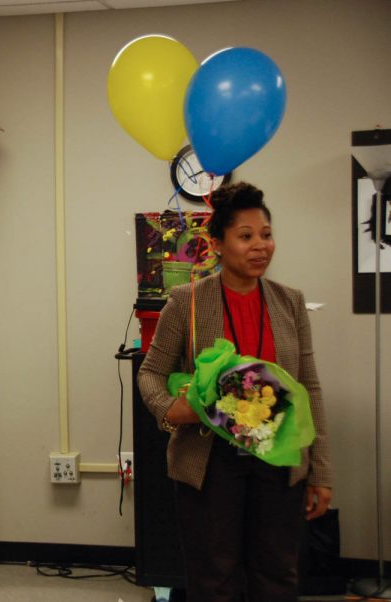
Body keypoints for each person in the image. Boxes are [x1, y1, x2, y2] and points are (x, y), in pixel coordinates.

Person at [137, 182, 332, 602]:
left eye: (266, 234)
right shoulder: (186, 302)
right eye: (246, 236)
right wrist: (173, 410)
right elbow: (150, 373)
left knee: (277, 575)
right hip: (211, 462)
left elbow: (309, 387)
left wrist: (321, 470)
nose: (260, 246)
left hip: (278, 461)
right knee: (214, 578)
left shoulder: (289, 302)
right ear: (218, 244)